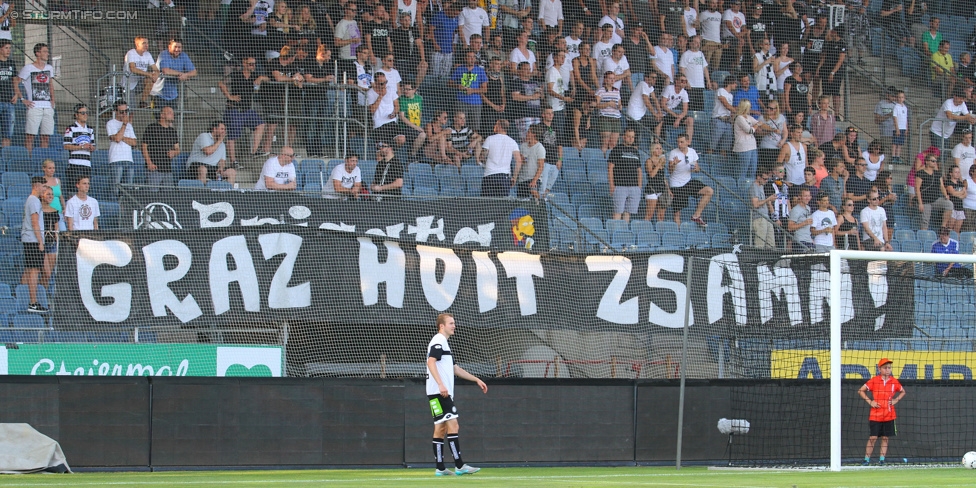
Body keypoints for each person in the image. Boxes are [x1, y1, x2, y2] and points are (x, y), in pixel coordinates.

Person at [426, 312, 486, 477]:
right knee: (454, 425)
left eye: (454, 323)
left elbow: (455, 369)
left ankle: (440, 468)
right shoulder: (439, 340)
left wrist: (476, 379)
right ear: (442, 326)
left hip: (434, 393)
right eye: (451, 323)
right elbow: (430, 362)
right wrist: (440, 384)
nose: (454, 326)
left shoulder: (444, 343)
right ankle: (459, 465)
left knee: (440, 428)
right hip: (439, 392)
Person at [218, 56, 271, 163]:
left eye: (254, 64)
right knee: (233, 135)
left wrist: (260, 78)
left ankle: (254, 151)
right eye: (250, 64)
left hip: (247, 110)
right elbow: (221, 83)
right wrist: (229, 96)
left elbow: (269, 78)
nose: (253, 66)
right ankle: (233, 161)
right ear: (244, 63)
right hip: (234, 109)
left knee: (260, 124)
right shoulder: (236, 74)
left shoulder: (254, 76)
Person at [858, 358, 906, 466]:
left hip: (889, 414)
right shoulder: (874, 380)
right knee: (873, 437)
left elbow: (903, 391)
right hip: (875, 414)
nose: (888, 370)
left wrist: (895, 400)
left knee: (885, 437)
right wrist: (870, 402)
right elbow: (861, 390)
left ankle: (882, 460)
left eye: (889, 368)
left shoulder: (894, 381)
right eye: (885, 368)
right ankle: (866, 459)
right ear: (879, 369)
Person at [668, 133, 713, 226]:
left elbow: (697, 168)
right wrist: (674, 164)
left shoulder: (692, 152)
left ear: (688, 142)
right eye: (678, 142)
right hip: (676, 185)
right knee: (677, 213)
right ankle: (678, 233)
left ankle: (696, 216)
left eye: (682, 142)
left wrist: (696, 169)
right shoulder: (673, 153)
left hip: (688, 182)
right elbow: (670, 171)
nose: (679, 144)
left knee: (709, 191)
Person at [19, 43, 55, 155]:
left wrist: (53, 99)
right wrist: (22, 99)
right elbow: (16, 81)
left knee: (45, 137)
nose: (47, 54)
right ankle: (28, 160)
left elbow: (51, 84)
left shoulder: (49, 68)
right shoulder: (28, 68)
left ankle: (42, 160)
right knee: (30, 136)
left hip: (47, 106)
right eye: (44, 51)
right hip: (34, 106)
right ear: (37, 53)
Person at [21, 176, 47, 313]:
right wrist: (40, 241)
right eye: (43, 187)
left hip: (29, 239)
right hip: (33, 240)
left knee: (29, 269)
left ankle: (23, 300)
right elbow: (35, 222)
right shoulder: (34, 200)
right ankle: (32, 302)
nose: (44, 189)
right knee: (34, 270)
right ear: (37, 186)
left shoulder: (31, 200)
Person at [480, 119, 522, 197]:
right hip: (504, 177)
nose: (494, 126)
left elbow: (482, 156)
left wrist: (485, 162)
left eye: (496, 124)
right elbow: (519, 161)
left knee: (486, 204)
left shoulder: (490, 139)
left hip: (490, 175)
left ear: (499, 126)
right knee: (502, 205)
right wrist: (514, 177)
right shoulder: (512, 142)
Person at [607, 128, 642, 222]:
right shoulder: (616, 149)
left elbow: (639, 170)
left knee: (628, 213)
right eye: (628, 136)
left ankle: (624, 234)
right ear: (623, 137)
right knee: (618, 212)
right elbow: (610, 167)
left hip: (634, 187)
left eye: (632, 137)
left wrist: (639, 186)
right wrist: (612, 185)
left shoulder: (636, 152)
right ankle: (615, 233)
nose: (631, 139)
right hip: (620, 186)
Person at [450, 50, 489, 133]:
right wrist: (458, 86)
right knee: (459, 124)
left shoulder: (480, 71)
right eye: (469, 57)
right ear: (465, 58)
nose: (471, 59)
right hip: (461, 101)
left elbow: (485, 89)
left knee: (474, 126)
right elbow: (449, 83)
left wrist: (472, 90)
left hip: (476, 102)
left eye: (473, 57)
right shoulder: (459, 69)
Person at [142, 106, 180, 190]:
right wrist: (149, 163)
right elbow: (144, 147)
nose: (173, 115)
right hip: (154, 168)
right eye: (170, 113)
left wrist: (174, 152)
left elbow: (178, 149)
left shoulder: (172, 131)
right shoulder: (152, 128)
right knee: (152, 193)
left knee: (168, 195)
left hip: (168, 169)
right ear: (162, 115)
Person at [187, 121, 237, 186]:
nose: (224, 132)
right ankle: (202, 194)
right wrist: (219, 141)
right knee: (203, 169)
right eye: (222, 129)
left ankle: (228, 194)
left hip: (212, 168)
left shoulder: (222, 145)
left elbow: (222, 161)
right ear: (214, 129)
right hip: (196, 165)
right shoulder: (204, 136)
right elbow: (208, 151)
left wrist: (221, 168)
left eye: (225, 129)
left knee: (232, 172)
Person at [106, 100, 138, 195]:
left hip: (129, 159)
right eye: (121, 112)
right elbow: (116, 139)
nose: (124, 114)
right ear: (115, 111)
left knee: (128, 189)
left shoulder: (129, 125)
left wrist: (122, 137)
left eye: (126, 111)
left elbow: (134, 142)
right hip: (116, 159)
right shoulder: (111, 123)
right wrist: (124, 125)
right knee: (115, 188)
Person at [63, 103, 96, 191]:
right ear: (76, 115)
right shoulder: (71, 128)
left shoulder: (90, 129)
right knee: (73, 190)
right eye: (82, 113)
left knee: (85, 190)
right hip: (74, 164)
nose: (85, 115)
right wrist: (81, 147)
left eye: (86, 113)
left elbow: (93, 145)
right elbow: (66, 146)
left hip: (86, 164)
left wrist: (91, 148)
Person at [156, 38, 197, 108]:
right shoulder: (163, 54)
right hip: (159, 93)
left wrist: (185, 75)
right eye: (175, 47)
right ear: (169, 47)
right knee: (160, 117)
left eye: (179, 47)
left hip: (173, 95)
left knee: (172, 117)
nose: (177, 49)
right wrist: (181, 74)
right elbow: (166, 70)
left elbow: (194, 72)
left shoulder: (183, 55)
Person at [915, 154, 951, 231]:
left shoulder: (937, 173)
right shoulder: (921, 173)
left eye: (935, 161)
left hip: (935, 200)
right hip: (925, 201)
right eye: (933, 161)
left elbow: (942, 186)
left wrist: (945, 195)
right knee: (925, 221)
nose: (935, 162)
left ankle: (943, 227)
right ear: (927, 162)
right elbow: (917, 189)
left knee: (949, 204)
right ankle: (923, 236)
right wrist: (920, 203)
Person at [124, 36, 161, 109]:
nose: (146, 45)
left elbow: (156, 69)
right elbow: (133, 69)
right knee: (131, 110)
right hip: (128, 84)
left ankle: (142, 102)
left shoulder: (148, 54)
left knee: (150, 80)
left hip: (139, 83)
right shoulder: (131, 53)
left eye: (147, 43)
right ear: (137, 44)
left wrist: (155, 75)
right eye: (144, 43)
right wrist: (149, 74)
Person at [594, 70, 622, 155]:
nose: (612, 80)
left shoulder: (617, 91)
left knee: (613, 143)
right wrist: (608, 104)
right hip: (605, 117)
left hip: (616, 118)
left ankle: (611, 160)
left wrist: (620, 106)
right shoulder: (600, 91)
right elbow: (596, 105)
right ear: (605, 80)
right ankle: (603, 159)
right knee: (605, 142)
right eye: (610, 78)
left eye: (613, 79)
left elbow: (620, 104)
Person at [731, 100, 759, 180]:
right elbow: (750, 130)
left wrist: (772, 129)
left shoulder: (749, 117)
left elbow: (759, 122)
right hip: (743, 148)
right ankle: (739, 188)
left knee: (752, 171)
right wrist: (757, 126)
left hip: (752, 147)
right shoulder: (739, 118)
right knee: (742, 171)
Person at [750, 167, 776, 247]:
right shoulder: (754, 187)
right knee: (760, 244)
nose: (766, 181)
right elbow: (755, 204)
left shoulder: (761, 186)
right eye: (764, 179)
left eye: (767, 179)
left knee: (771, 244)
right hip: (759, 218)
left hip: (766, 217)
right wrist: (768, 199)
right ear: (758, 177)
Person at [710, 75, 736, 154]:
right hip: (719, 120)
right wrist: (738, 111)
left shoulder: (731, 95)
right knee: (712, 145)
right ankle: (708, 161)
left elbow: (730, 109)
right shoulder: (721, 90)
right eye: (735, 83)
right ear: (730, 83)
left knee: (725, 147)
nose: (736, 85)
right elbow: (726, 105)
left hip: (727, 122)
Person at [644, 142, 669, 222]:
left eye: (660, 148)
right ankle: (645, 231)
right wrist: (658, 164)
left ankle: (660, 232)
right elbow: (651, 174)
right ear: (652, 150)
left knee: (661, 216)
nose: (659, 150)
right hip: (652, 190)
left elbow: (663, 177)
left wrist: (668, 189)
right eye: (657, 148)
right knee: (649, 214)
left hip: (661, 189)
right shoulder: (649, 161)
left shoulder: (662, 162)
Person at [40, 185, 58, 288]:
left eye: (52, 194)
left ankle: (44, 295)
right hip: (41, 244)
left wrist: (57, 241)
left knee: (48, 275)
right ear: (42, 195)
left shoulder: (54, 211)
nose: (50, 196)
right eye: (48, 194)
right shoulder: (38, 210)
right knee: (45, 272)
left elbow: (56, 229)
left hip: (51, 244)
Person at [0, 39, 17, 147]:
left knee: (8, 134)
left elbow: (14, 79)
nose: (8, 50)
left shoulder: (11, 63)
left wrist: (16, 93)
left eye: (10, 48)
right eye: (6, 48)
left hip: (9, 102)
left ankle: (5, 161)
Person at [945, 165, 967, 234]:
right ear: (951, 173)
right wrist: (961, 193)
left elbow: (965, 194)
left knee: (957, 230)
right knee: (950, 228)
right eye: (956, 172)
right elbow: (952, 193)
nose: (958, 174)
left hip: (960, 208)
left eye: (958, 172)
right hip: (952, 208)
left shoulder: (960, 183)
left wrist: (959, 194)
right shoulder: (948, 182)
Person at [891, 90, 909, 163]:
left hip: (903, 128)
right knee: (895, 143)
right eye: (899, 97)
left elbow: (906, 118)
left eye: (902, 97)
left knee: (900, 143)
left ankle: (898, 157)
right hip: (897, 128)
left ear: (904, 98)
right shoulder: (896, 107)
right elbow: (895, 117)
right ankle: (893, 157)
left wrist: (906, 128)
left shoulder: (905, 107)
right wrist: (897, 128)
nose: (900, 99)